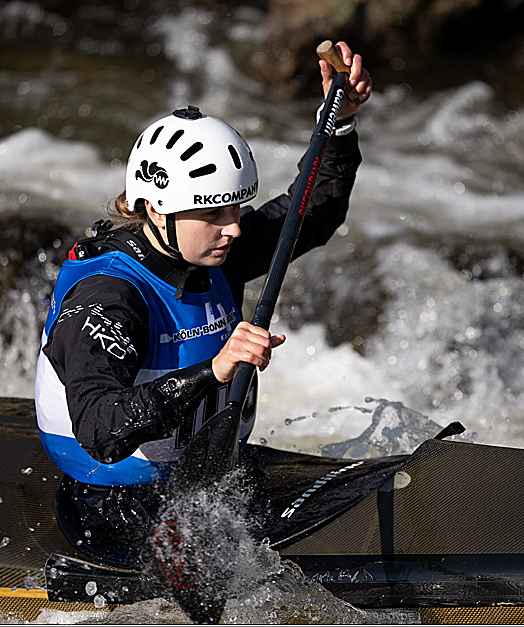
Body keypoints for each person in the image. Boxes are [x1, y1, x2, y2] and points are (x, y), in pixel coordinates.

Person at [34, 41, 371, 562]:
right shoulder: (109, 297)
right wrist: (213, 370)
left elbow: (313, 213)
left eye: (236, 209)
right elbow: (102, 430)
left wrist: (338, 125)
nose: (235, 228)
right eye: (213, 214)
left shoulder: (211, 250)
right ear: (155, 209)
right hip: (114, 508)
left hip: (202, 481)